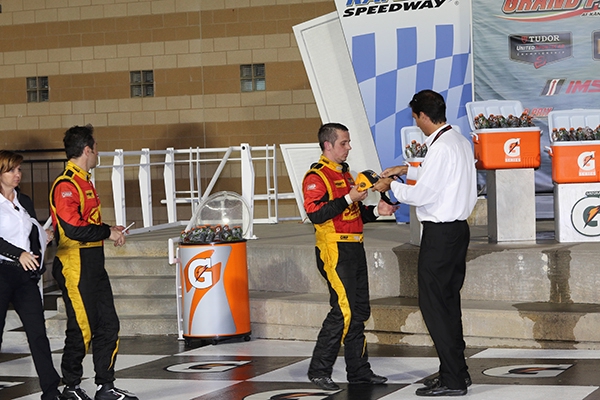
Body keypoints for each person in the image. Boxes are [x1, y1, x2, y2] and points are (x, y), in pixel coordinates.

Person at [373, 90, 477, 397]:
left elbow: (422, 195)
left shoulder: (441, 147)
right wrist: (406, 169)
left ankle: (453, 381)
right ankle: (455, 371)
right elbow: (442, 175)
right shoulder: (457, 140)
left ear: (421, 115)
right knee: (448, 302)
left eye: (415, 117)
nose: (415, 122)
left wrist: (390, 186)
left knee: (434, 305)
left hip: (441, 235)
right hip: (456, 231)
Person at [302, 122, 397, 391]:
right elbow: (316, 214)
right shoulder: (316, 176)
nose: (349, 147)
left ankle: (359, 372)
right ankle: (319, 371)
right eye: (343, 143)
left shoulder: (346, 174)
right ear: (327, 145)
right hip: (334, 249)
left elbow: (354, 214)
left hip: (355, 247)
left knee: (359, 311)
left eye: (348, 142)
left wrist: (377, 211)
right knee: (343, 310)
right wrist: (348, 198)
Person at [49, 125, 138, 400]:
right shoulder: (66, 184)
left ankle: (105, 386)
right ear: (87, 150)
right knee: (81, 327)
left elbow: (87, 221)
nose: (98, 153)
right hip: (74, 264)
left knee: (108, 324)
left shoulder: (85, 180)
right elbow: (73, 228)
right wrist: (106, 232)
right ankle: (70, 387)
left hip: (94, 262)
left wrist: (110, 229)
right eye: (96, 148)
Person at [0, 150, 63, 400]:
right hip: (2, 273)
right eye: (11, 170)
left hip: (25, 276)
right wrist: (18, 254)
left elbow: (32, 229)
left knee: (37, 333)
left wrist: (41, 240)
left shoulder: (23, 200)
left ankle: (51, 390)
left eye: (19, 170)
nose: (17, 174)